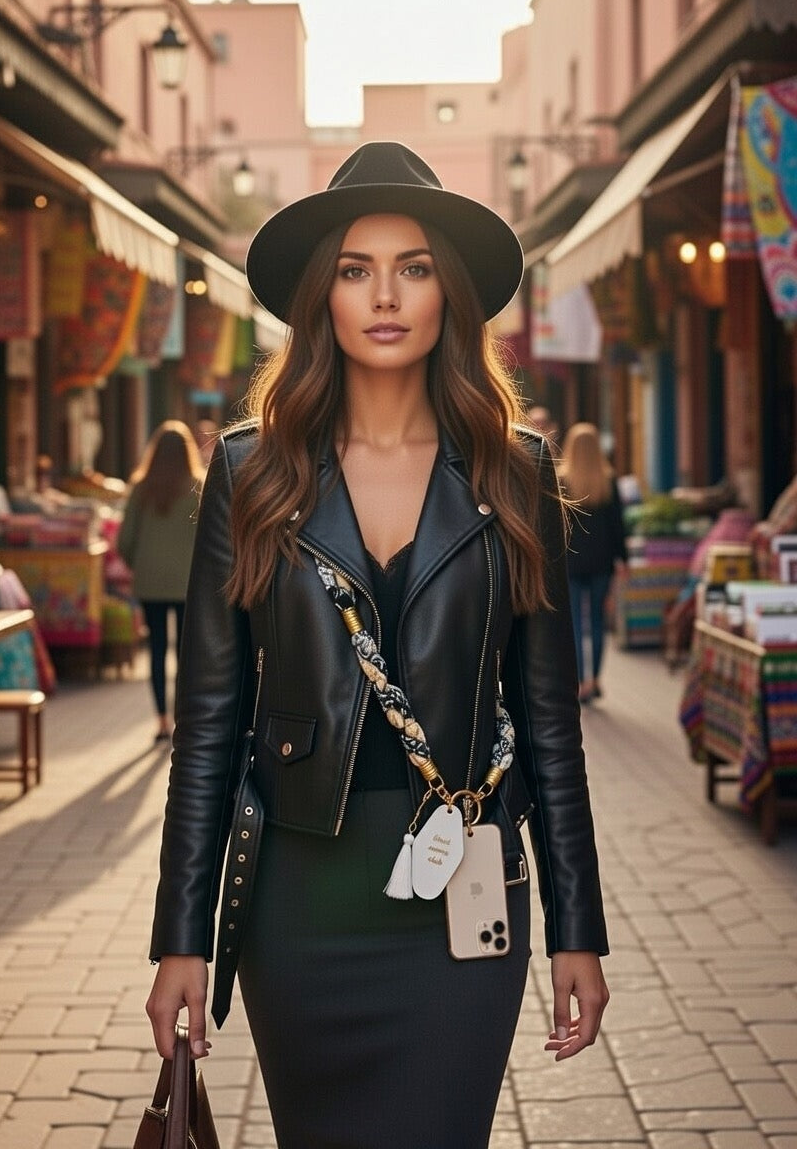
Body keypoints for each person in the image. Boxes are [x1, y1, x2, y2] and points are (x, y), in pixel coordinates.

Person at [145, 143, 609, 1149]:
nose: (384, 295)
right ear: (323, 298)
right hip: (297, 900)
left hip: (466, 900)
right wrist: (181, 939)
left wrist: (581, 927)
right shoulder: (248, 473)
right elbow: (209, 730)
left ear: (450, 293)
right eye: (355, 269)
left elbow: (550, 730)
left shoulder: (513, 470)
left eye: (414, 267)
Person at [117, 421, 204, 741]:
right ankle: (183, 720)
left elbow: (125, 539)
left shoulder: (142, 487)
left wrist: (137, 564)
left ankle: (161, 721)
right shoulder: (199, 486)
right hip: (188, 583)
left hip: (150, 581)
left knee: (155, 650)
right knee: (185, 652)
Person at [558, 422, 628, 702]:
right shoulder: (608, 480)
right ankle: (595, 680)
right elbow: (617, 525)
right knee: (598, 622)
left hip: (571, 562)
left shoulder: (562, 480)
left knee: (574, 623)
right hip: (602, 562)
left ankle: (579, 684)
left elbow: (555, 526)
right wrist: (622, 558)